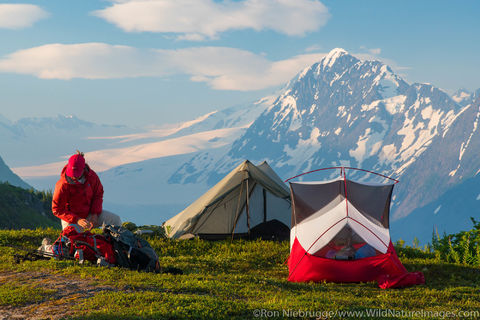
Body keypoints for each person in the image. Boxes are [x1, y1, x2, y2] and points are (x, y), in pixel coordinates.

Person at [52, 151, 121, 231]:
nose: (74, 177)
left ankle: (113, 242)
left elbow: (98, 194)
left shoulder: (92, 177)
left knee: (116, 220)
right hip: (72, 219)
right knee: (70, 237)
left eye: (76, 174)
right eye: (72, 174)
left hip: (90, 214)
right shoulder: (62, 185)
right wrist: (77, 219)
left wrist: (94, 213)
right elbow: (56, 209)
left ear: (83, 168)